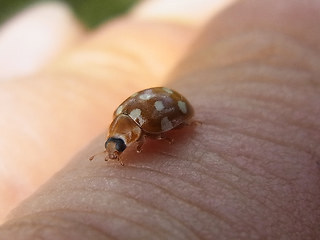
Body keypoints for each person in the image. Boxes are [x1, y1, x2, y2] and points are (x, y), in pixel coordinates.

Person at [0, 0, 319, 239]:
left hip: (176, 106)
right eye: (116, 146)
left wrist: (179, 126)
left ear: (129, 137)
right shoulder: (123, 123)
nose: (116, 150)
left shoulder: (145, 127)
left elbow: (162, 126)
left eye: (118, 145)